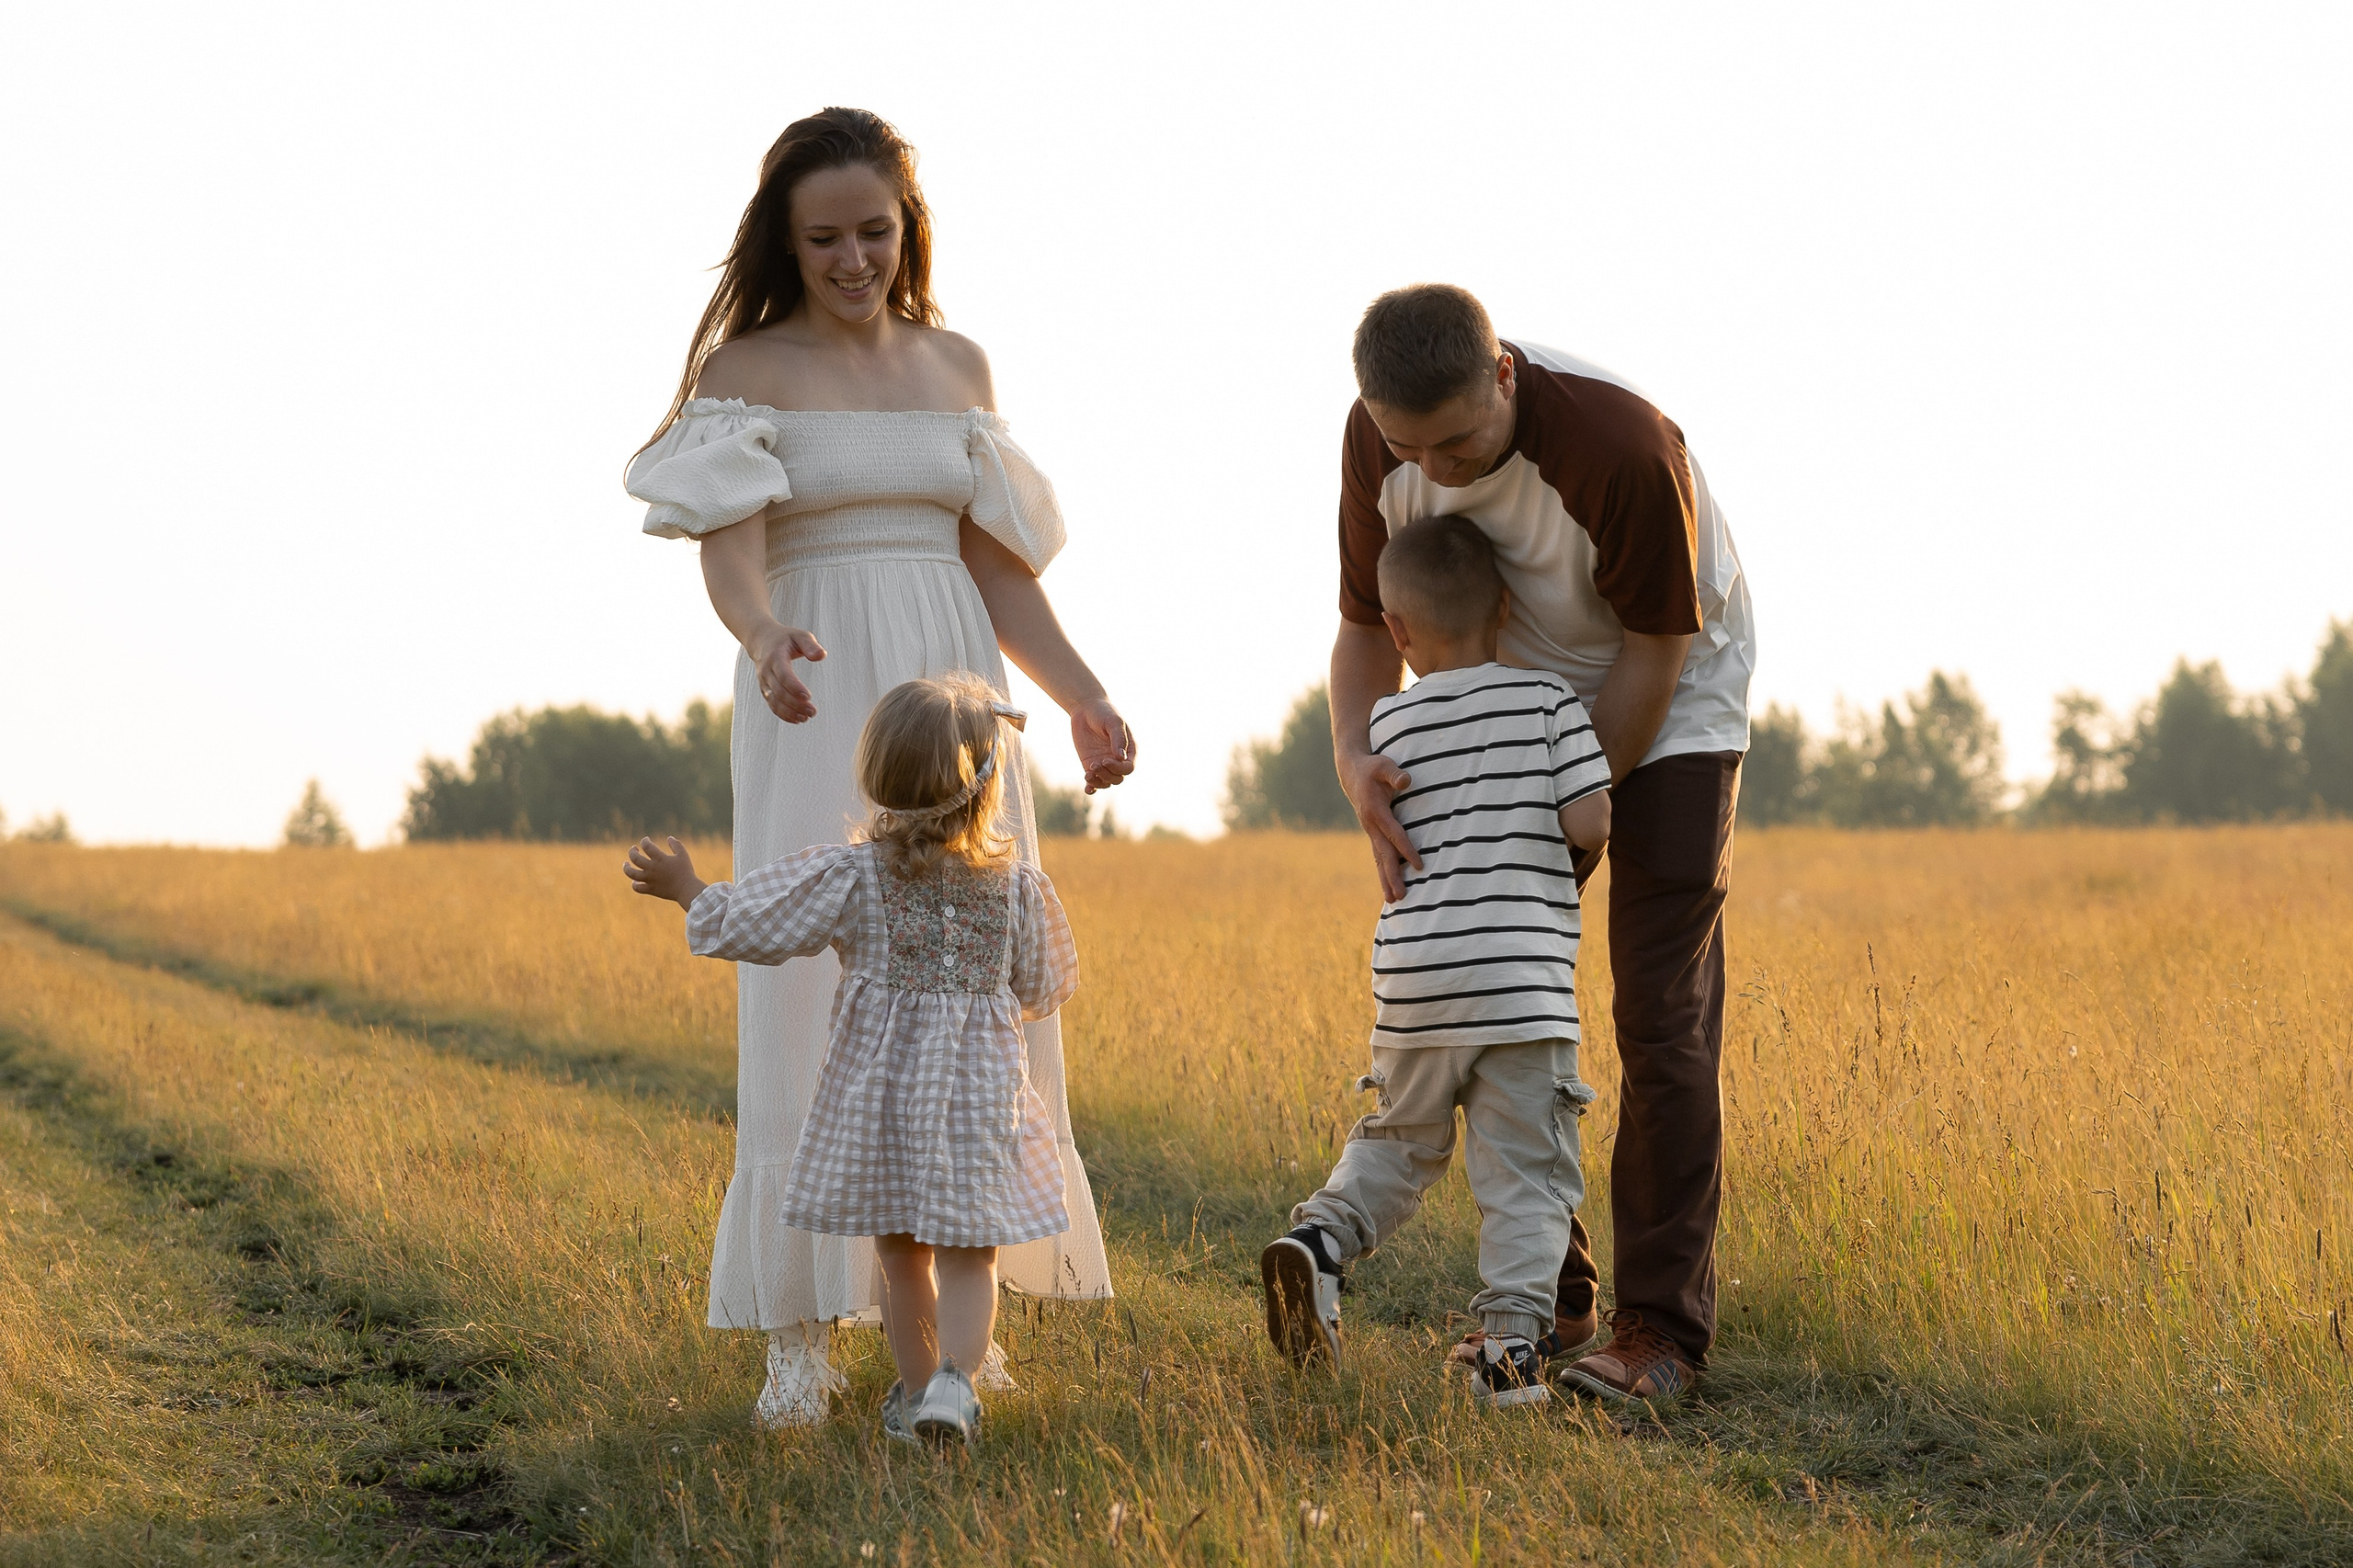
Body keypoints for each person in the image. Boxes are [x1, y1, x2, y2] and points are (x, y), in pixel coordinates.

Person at [623, 107, 1133, 1429]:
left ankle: (967, 1336)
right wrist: (759, 633)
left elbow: (998, 566)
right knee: (809, 983)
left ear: (908, 228)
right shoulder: (754, 366)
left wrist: (1077, 696)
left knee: (969, 988)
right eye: (824, 236)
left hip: (956, 693)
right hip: (813, 677)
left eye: (874, 230)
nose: (852, 257)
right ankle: (800, 1334)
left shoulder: (957, 363)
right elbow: (727, 546)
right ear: (782, 243)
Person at [1330, 285, 1755, 1403]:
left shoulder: (1619, 444)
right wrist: (1354, 762)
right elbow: (1365, 625)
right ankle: (1549, 1295)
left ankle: (1659, 1330)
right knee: (1491, 986)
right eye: (1406, 444)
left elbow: (1658, 653)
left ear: (1505, 375)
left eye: (1459, 438)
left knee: (1659, 1012)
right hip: (1508, 695)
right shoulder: (1378, 439)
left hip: (1663, 697)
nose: (1438, 468)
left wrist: (1547, 804)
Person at [626, 676, 1077, 1449]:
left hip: (884, 1107)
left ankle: (914, 1392)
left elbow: (759, 924)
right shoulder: (1017, 892)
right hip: (980, 1105)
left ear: (878, 777)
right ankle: (955, 1388)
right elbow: (1044, 987)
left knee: (903, 1260)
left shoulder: (854, 876)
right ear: (986, 787)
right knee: (974, 1258)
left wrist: (690, 891)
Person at [1262, 516, 1611, 1409]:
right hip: (1518, 985)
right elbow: (1590, 822)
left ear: (1399, 632)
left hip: (1415, 979)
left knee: (1397, 1140)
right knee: (1524, 1173)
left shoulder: (1384, 725)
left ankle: (1320, 1241)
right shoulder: (1545, 702)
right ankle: (1509, 1352)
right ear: (1505, 605)